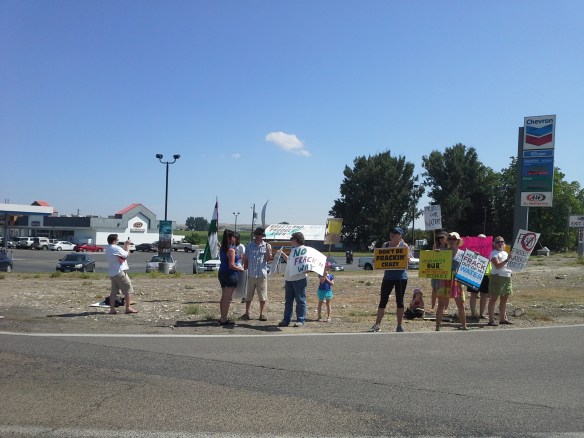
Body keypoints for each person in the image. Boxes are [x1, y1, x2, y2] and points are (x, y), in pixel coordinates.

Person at [369, 226, 409, 333]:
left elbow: (407, 262)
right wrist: (376, 260)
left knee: (400, 302)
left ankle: (399, 326)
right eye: (391, 232)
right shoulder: (385, 245)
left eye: (395, 233)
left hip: (401, 277)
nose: (392, 234)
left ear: (400, 236)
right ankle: (377, 324)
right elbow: (380, 258)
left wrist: (405, 259)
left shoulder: (404, 246)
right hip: (388, 277)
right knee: (383, 300)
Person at [435, 232, 467, 331]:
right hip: (444, 279)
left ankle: (464, 325)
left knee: (460, 305)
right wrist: (433, 254)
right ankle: (437, 327)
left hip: (457, 280)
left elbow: (468, 265)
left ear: (458, 241)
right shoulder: (443, 251)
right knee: (441, 305)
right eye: (450, 239)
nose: (452, 240)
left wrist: (475, 257)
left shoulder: (463, 253)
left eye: (454, 239)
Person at [241, 227, 272, 321]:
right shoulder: (249, 246)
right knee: (248, 295)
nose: (258, 236)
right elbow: (246, 259)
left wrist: (267, 251)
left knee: (262, 295)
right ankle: (247, 313)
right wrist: (244, 270)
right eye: (257, 234)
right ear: (254, 235)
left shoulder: (267, 246)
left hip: (261, 274)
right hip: (251, 274)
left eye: (260, 235)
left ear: (263, 236)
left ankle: (262, 314)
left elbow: (268, 259)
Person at [278, 231, 308, 328]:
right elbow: (290, 261)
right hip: (289, 279)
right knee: (288, 301)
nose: (290, 241)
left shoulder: (304, 250)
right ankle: (286, 320)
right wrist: (282, 254)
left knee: (300, 300)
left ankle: (300, 319)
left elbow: (307, 264)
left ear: (296, 240)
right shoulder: (294, 250)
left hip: (299, 278)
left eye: (292, 239)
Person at [104, 234, 138, 315]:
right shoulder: (115, 248)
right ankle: (128, 308)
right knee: (127, 290)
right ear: (114, 241)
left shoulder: (108, 248)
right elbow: (126, 255)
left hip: (112, 273)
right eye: (117, 240)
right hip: (119, 272)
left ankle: (112, 309)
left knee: (113, 292)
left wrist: (125, 245)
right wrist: (127, 245)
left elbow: (122, 254)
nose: (118, 241)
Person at [217, 229, 245, 326]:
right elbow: (232, 265)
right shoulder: (231, 250)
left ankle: (222, 317)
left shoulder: (223, 248)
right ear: (231, 238)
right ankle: (224, 318)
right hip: (230, 274)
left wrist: (239, 257)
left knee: (224, 296)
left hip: (222, 273)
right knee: (227, 298)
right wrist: (241, 269)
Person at [487, 236, 514, 326]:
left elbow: (508, 265)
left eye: (502, 242)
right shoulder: (493, 253)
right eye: (498, 242)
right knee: (494, 298)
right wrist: (507, 260)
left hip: (507, 277)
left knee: (504, 299)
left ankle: (502, 318)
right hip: (497, 277)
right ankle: (491, 319)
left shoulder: (506, 253)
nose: (500, 243)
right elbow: (498, 265)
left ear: (504, 243)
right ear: (494, 244)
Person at [467, 234, 491, 320]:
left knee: (484, 295)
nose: (482, 240)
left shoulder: (489, 249)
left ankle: (481, 313)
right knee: (473, 294)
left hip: (486, 274)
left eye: (484, 239)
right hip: (474, 273)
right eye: (480, 239)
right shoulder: (472, 247)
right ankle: (473, 313)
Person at [430, 232, 449, 313]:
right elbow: (431, 258)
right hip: (436, 271)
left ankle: (446, 308)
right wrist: (433, 251)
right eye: (439, 238)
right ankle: (433, 307)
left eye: (443, 238)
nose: (441, 240)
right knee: (434, 289)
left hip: (445, 271)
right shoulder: (436, 247)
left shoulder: (449, 248)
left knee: (445, 291)